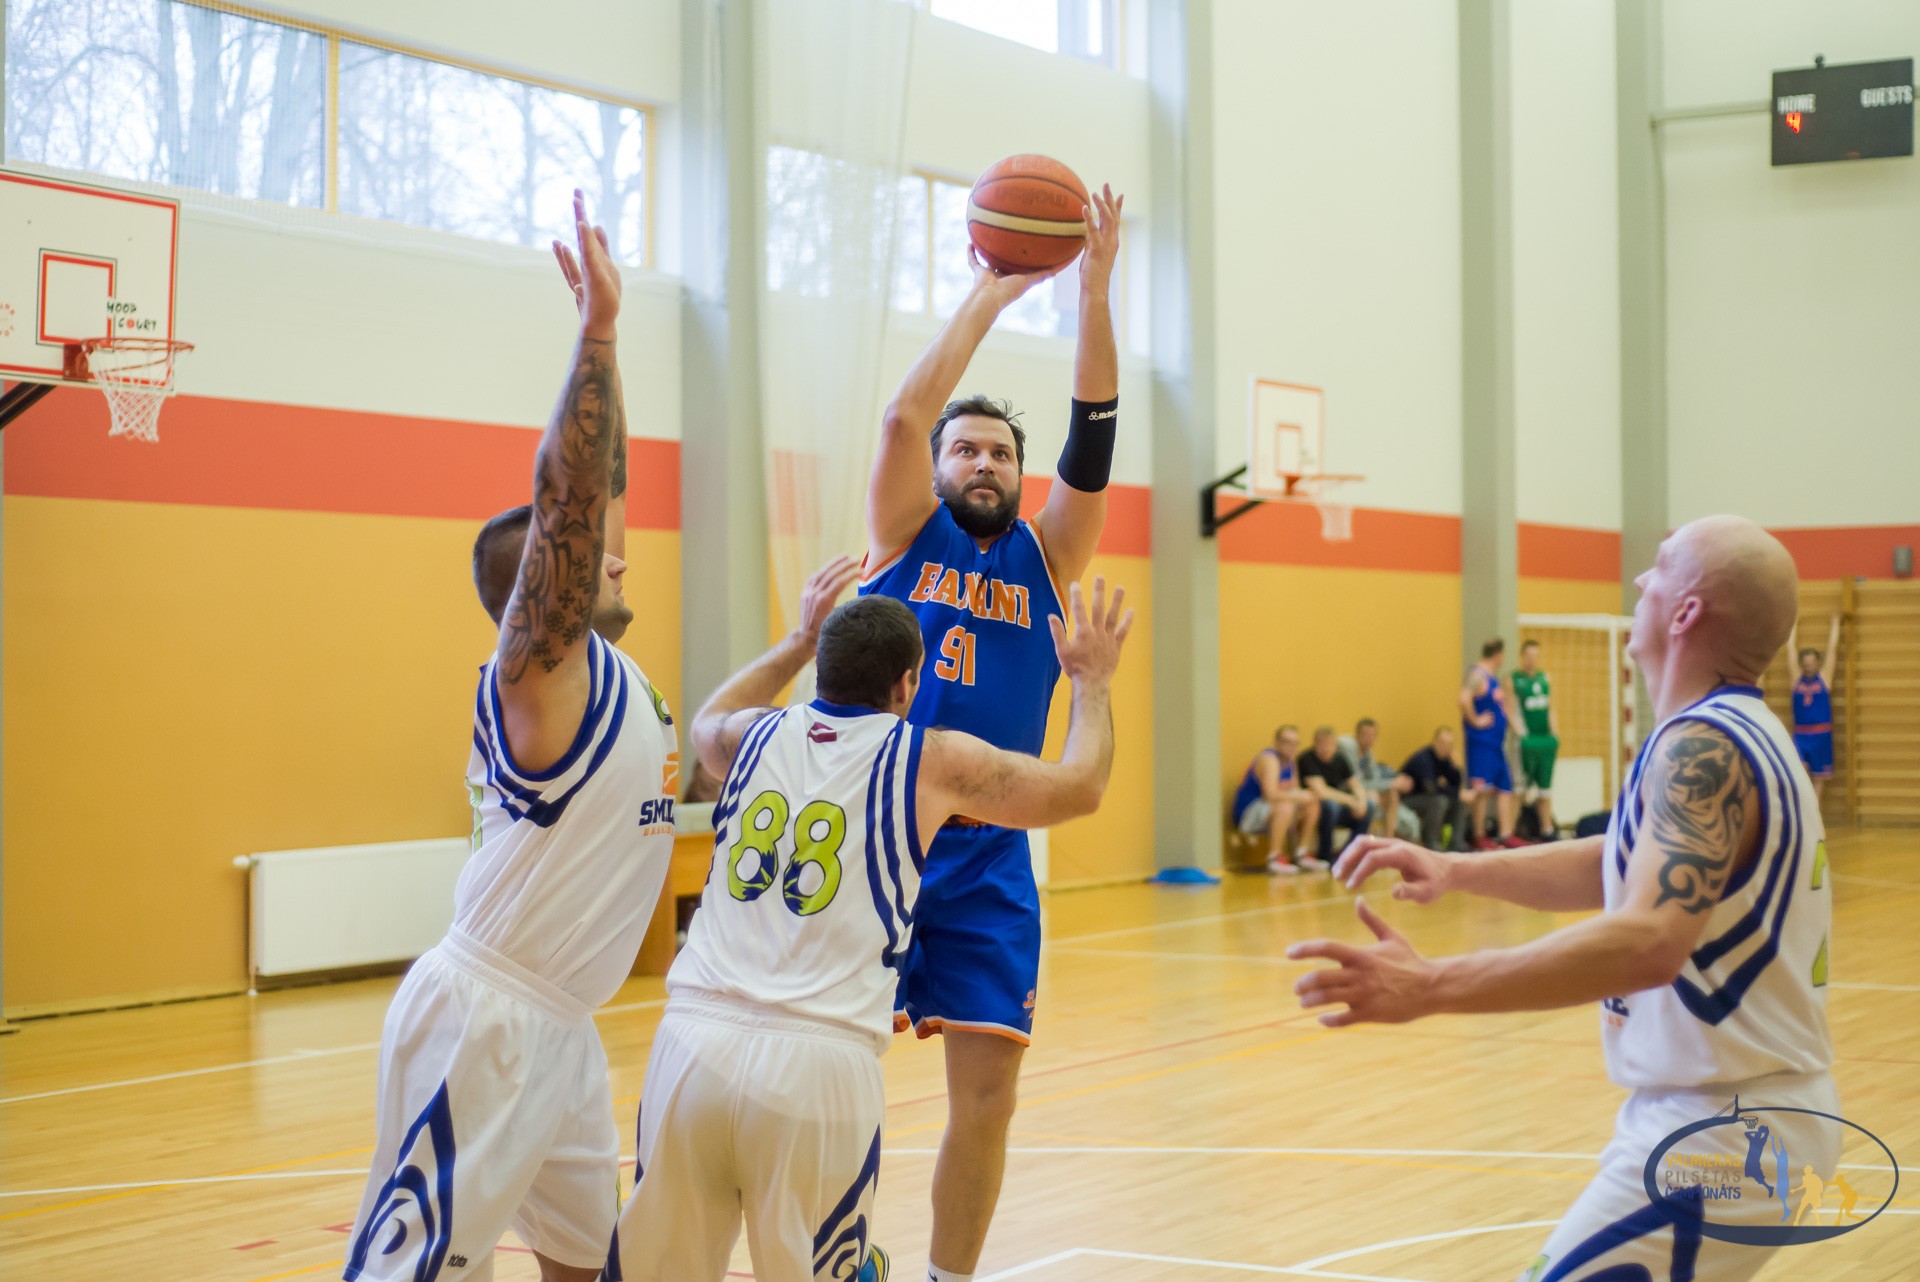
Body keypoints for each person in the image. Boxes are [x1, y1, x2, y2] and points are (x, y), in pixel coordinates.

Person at [1304, 515, 1837, 1282]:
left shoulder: (1704, 749)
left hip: (1727, 1128)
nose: (1638, 583)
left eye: (1657, 568)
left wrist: (1431, 985)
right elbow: (1620, 863)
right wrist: (1456, 869)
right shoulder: (1731, 734)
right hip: (1730, 1117)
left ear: (1686, 611)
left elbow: (1647, 940)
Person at [345, 195, 680, 1282]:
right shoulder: (536, 676)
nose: (617, 552)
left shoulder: (620, 676)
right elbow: (573, 494)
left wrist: (615, 339)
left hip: (564, 1026)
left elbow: (604, 485)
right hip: (480, 1018)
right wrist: (590, 341)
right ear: (547, 586)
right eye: (593, 553)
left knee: (590, 1261)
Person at [613, 579, 1131, 1282]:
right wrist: (1091, 680)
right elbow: (1082, 787)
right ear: (908, 683)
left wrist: (795, 640)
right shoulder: (932, 759)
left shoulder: (747, 735)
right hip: (814, 1065)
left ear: (820, 669)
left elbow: (709, 716)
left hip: (691, 1042)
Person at [858, 183, 1125, 1282]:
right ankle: (835, 1248)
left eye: (1000, 456)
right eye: (965, 451)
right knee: (827, 1069)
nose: (981, 464)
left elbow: (1096, 437)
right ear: (938, 472)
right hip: (881, 835)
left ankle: (943, 1280)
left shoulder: (1046, 557)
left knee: (990, 1097)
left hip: (992, 855)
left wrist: (1094, 290)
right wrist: (990, 291)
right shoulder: (901, 533)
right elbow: (900, 421)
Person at [1460, 638, 1524, 849]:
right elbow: (1463, 699)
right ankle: (1479, 835)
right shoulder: (1477, 675)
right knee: (1481, 790)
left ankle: (1505, 833)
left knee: (1505, 786)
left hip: (1496, 745)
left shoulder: (1493, 679)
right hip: (1481, 744)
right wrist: (1475, 720)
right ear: (1498, 655)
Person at [1232, 725, 1318, 874]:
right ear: (1277, 743)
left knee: (1311, 804)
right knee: (1285, 806)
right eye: (1286, 742)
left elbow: (1295, 789)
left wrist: (1307, 795)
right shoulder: (1269, 759)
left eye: (1295, 743)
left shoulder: (1291, 762)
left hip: (1273, 811)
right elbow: (1270, 794)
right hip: (1249, 813)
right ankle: (1274, 858)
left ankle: (1301, 853)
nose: (1291, 747)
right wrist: (1298, 795)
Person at [1297, 726, 1373, 870]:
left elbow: (1356, 784)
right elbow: (1321, 792)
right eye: (1320, 743)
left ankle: (1351, 854)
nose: (1324, 747)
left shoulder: (1340, 758)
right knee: (1330, 806)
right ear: (1314, 743)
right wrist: (1351, 800)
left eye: (1328, 743)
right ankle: (1325, 856)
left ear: (1335, 745)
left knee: (1369, 806)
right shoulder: (1307, 759)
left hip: (1340, 806)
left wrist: (1361, 801)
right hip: (1318, 809)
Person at [1393, 727, 1474, 852]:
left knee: (1459, 802)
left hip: (1428, 799)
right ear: (1434, 742)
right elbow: (1431, 788)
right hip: (1405, 802)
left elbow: (1454, 786)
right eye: (1442, 742)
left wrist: (1456, 769)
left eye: (1449, 744)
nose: (1446, 747)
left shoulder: (1446, 761)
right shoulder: (1423, 758)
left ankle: (1456, 844)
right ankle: (1431, 844)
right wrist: (1458, 793)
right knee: (1439, 801)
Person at [1511, 640, 1559, 838]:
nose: (1532, 660)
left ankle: (1547, 830)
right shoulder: (1514, 679)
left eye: (1535, 656)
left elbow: (1551, 709)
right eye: (1529, 656)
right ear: (1522, 656)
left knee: (1544, 789)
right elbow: (1510, 710)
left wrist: (1554, 733)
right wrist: (1522, 735)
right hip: (1524, 742)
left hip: (1544, 741)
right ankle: (1511, 832)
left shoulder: (1545, 678)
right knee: (1520, 790)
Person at [1789, 614, 1840, 802]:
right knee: (1800, 776)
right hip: (1801, 735)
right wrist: (1793, 626)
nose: (1809, 665)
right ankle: (1804, 812)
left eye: (1812, 662)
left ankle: (1815, 815)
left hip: (1821, 735)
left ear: (1817, 663)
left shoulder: (1824, 679)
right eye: (1806, 662)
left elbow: (1832, 651)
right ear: (1803, 664)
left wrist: (1835, 626)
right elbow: (1791, 652)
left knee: (1819, 779)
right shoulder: (1796, 680)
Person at [1339, 718, 1405, 840]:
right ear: (1357, 734)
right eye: (1366, 734)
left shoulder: (1368, 754)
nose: (1369, 738)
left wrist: (1391, 785)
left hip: (1360, 791)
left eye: (1373, 735)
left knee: (1391, 795)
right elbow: (1356, 782)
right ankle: (1366, 842)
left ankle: (1388, 841)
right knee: (1372, 797)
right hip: (1345, 791)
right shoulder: (1348, 749)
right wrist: (1391, 783)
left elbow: (1375, 780)